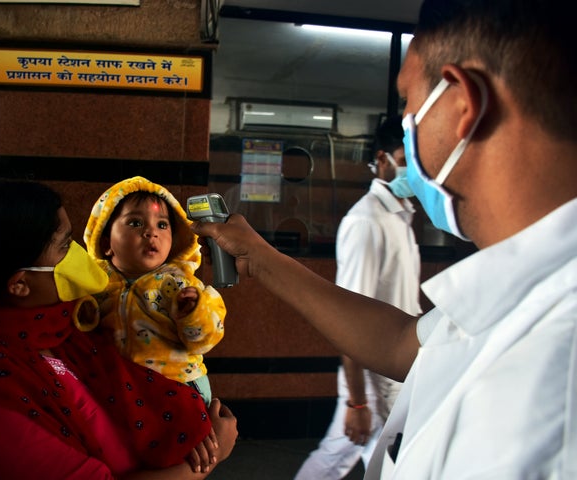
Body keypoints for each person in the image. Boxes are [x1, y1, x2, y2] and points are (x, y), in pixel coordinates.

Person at [192, 0, 577, 477]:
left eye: (408, 102)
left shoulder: (551, 383)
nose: (408, 125)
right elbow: (400, 343)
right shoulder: (517, 290)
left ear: (463, 103)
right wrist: (262, 258)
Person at [0, 179, 237, 479]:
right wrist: (209, 458)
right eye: (64, 246)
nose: (79, 255)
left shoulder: (63, 329)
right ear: (20, 284)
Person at [295, 116, 422, 480]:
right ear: (382, 160)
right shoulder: (367, 222)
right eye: (405, 158)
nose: (413, 168)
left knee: (367, 462)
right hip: (372, 380)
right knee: (344, 458)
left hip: (395, 374)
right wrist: (358, 401)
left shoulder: (399, 217)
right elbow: (347, 316)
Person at [83, 176, 227, 406]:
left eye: (162, 224)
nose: (152, 232)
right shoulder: (93, 284)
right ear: (105, 242)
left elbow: (205, 341)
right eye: (135, 223)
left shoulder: (179, 284)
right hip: (118, 391)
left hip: (177, 388)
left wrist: (193, 312)